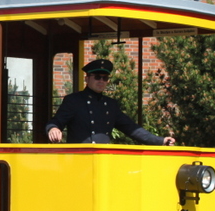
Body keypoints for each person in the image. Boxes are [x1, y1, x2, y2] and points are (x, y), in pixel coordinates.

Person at [46, 59, 175, 146]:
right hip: (80, 159)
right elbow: (56, 122)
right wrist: (53, 129)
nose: (101, 81)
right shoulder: (74, 100)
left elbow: (132, 129)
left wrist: (160, 140)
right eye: (97, 77)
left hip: (104, 162)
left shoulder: (111, 105)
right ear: (87, 78)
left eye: (105, 78)